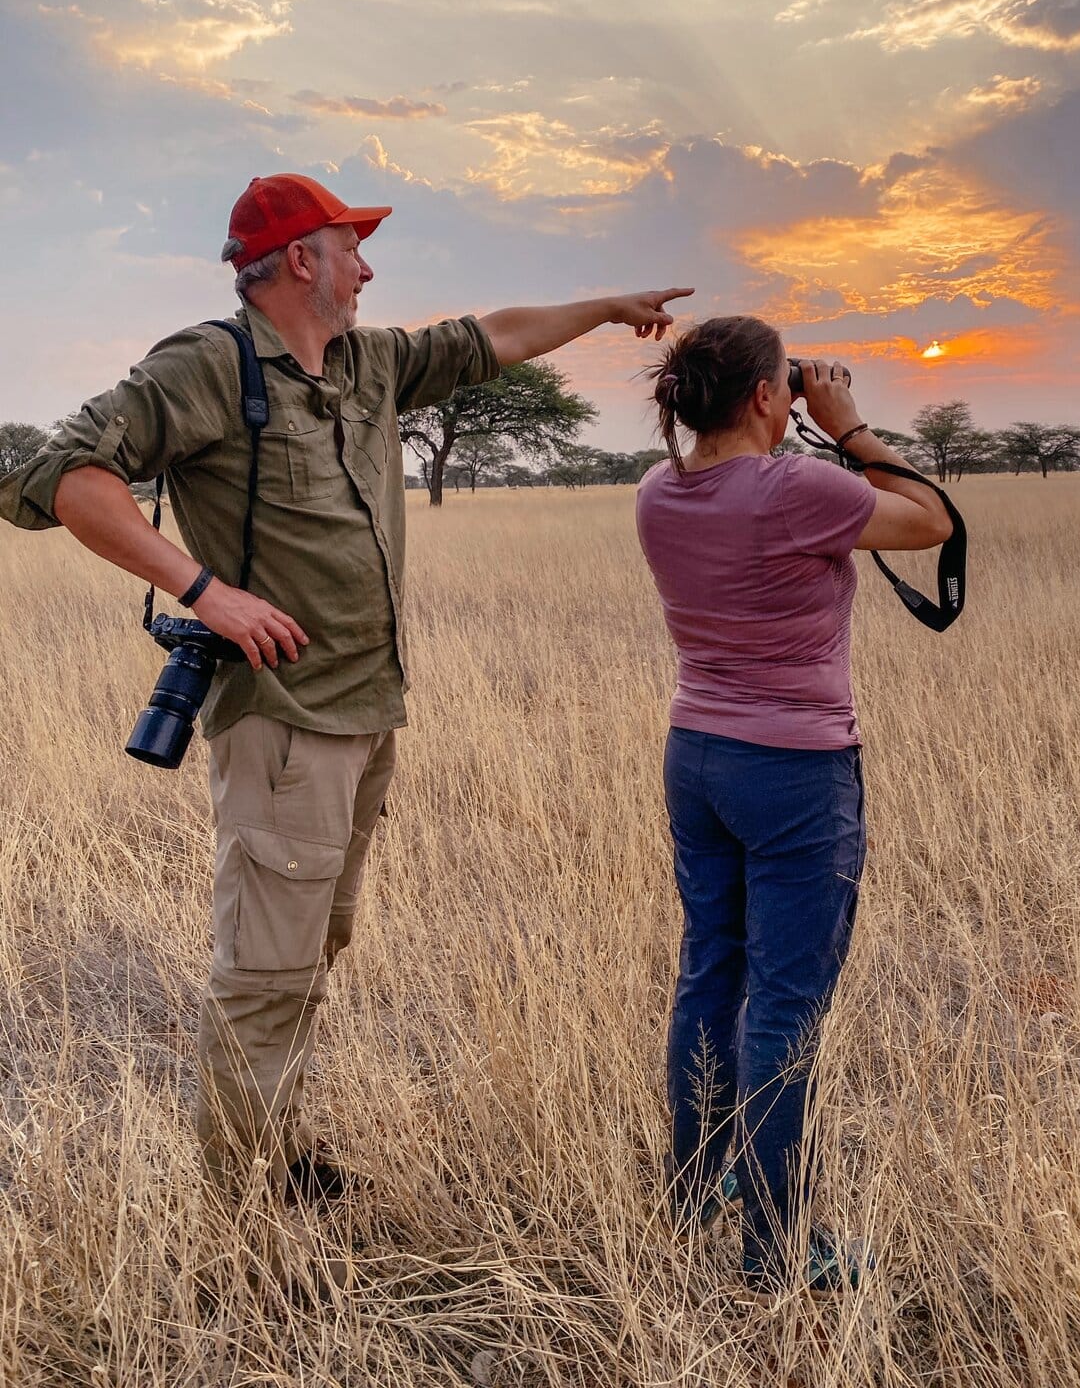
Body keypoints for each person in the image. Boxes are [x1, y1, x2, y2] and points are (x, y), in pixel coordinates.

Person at [0, 170, 693, 1201]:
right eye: (349, 246)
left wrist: (604, 308)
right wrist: (204, 590)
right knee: (265, 966)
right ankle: (242, 1202)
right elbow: (51, 478)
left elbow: (489, 335)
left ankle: (279, 1151)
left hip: (365, 710)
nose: (367, 266)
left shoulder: (367, 362)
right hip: (283, 716)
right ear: (297, 262)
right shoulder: (208, 363)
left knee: (313, 943)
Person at [634, 314, 951, 1293]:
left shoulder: (659, 488)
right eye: (789, 383)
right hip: (797, 772)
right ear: (770, 396)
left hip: (697, 755)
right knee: (785, 1005)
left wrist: (807, 416)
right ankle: (780, 1247)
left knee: (710, 971)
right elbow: (930, 518)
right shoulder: (798, 486)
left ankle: (698, 1185)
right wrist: (849, 419)